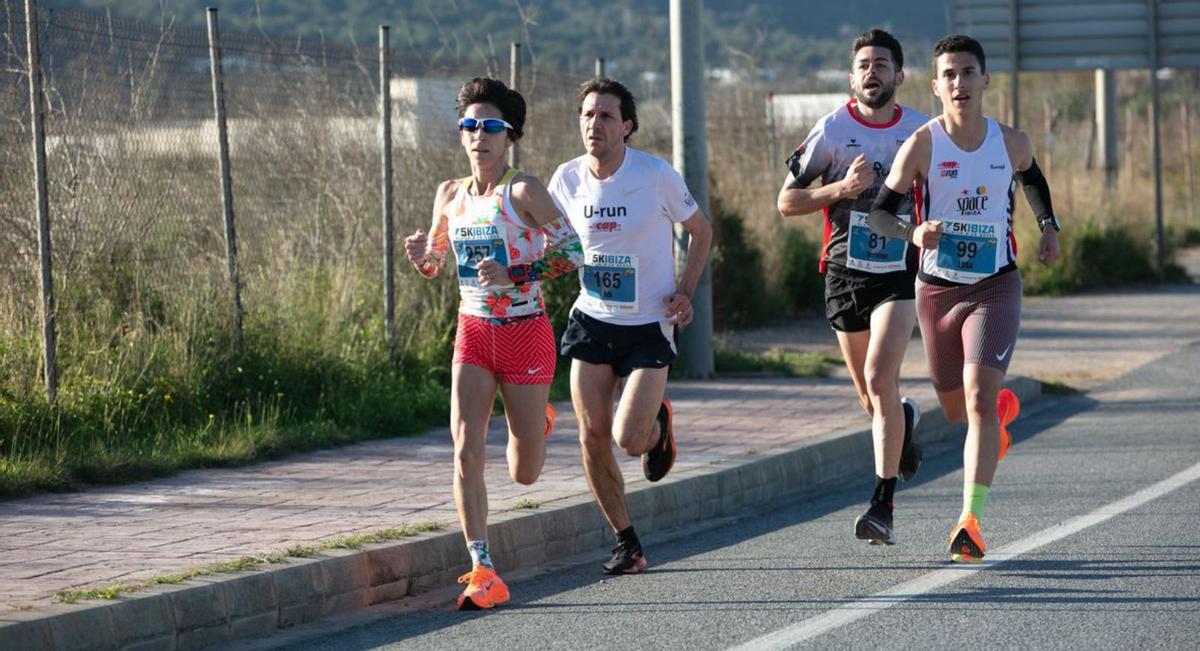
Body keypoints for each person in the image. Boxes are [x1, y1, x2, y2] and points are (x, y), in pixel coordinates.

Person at [867, 35, 1061, 562]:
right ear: (935, 86)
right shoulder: (923, 145)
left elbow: (1034, 180)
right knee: (957, 410)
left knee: (976, 397)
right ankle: (994, 421)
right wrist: (912, 234)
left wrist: (1048, 227)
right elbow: (881, 214)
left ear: (984, 80)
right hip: (936, 292)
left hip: (996, 285)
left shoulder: (1010, 141)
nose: (959, 83)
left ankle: (969, 522)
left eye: (968, 73)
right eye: (949, 75)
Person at [404, 77, 584, 609]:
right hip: (474, 331)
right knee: (465, 450)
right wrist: (422, 256)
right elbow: (437, 265)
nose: (477, 135)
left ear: (509, 136)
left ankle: (539, 423)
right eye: (469, 126)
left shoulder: (523, 191)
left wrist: (517, 271)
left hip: (526, 332)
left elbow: (574, 253)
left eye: (489, 127)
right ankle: (482, 566)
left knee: (524, 472)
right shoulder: (449, 194)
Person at [548, 78, 712, 574]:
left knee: (627, 439)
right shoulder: (567, 179)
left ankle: (657, 425)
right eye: (587, 115)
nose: (593, 124)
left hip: (648, 324)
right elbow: (551, 245)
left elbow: (701, 231)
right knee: (591, 435)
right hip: (592, 318)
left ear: (627, 126)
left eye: (604, 116)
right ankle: (627, 542)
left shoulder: (655, 174)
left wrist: (685, 292)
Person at [777, 29, 929, 546]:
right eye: (864, 64)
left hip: (898, 271)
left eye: (882, 64)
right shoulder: (833, 130)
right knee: (871, 397)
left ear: (899, 76)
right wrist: (842, 189)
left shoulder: (921, 131)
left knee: (879, 376)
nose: (872, 71)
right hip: (843, 273)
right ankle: (904, 421)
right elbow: (786, 202)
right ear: (851, 77)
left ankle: (881, 505)